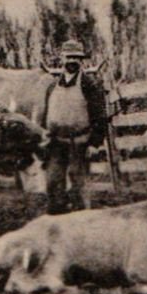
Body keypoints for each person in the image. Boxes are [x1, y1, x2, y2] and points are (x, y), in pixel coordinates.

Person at [41, 40, 110, 213]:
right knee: (53, 183)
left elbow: (99, 116)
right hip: (56, 142)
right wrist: (45, 138)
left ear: (81, 61)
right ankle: (57, 223)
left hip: (80, 142)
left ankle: (80, 222)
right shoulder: (52, 86)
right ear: (62, 58)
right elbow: (46, 114)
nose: (72, 61)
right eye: (69, 57)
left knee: (79, 184)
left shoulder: (89, 84)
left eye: (76, 58)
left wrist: (95, 144)